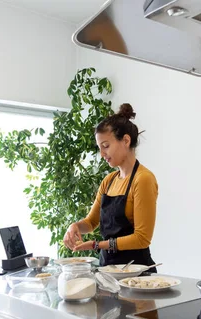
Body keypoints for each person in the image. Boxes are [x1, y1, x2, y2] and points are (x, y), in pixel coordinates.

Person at [63, 103, 158, 272]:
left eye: (106, 146)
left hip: (137, 273)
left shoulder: (143, 179)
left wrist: (96, 244)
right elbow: (91, 222)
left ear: (126, 141)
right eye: (99, 148)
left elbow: (142, 238)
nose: (102, 154)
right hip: (108, 271)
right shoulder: (109, 181)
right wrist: (75, 226)